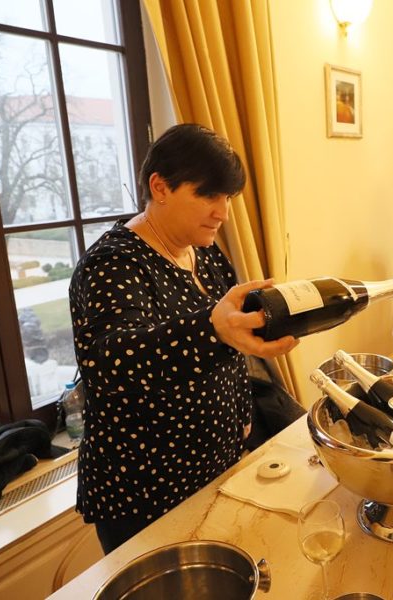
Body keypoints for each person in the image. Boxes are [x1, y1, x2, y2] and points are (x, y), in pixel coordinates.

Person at [69, 124, 298, 554]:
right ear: (160, 187)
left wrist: (241, 415)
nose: (222, 212)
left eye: (227, 197)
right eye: (207, 195)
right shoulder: (114, 264)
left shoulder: (203, 251)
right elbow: (114, 362)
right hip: (147, 490)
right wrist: (211, 328)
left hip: (216, 467)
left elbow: (229, 345)